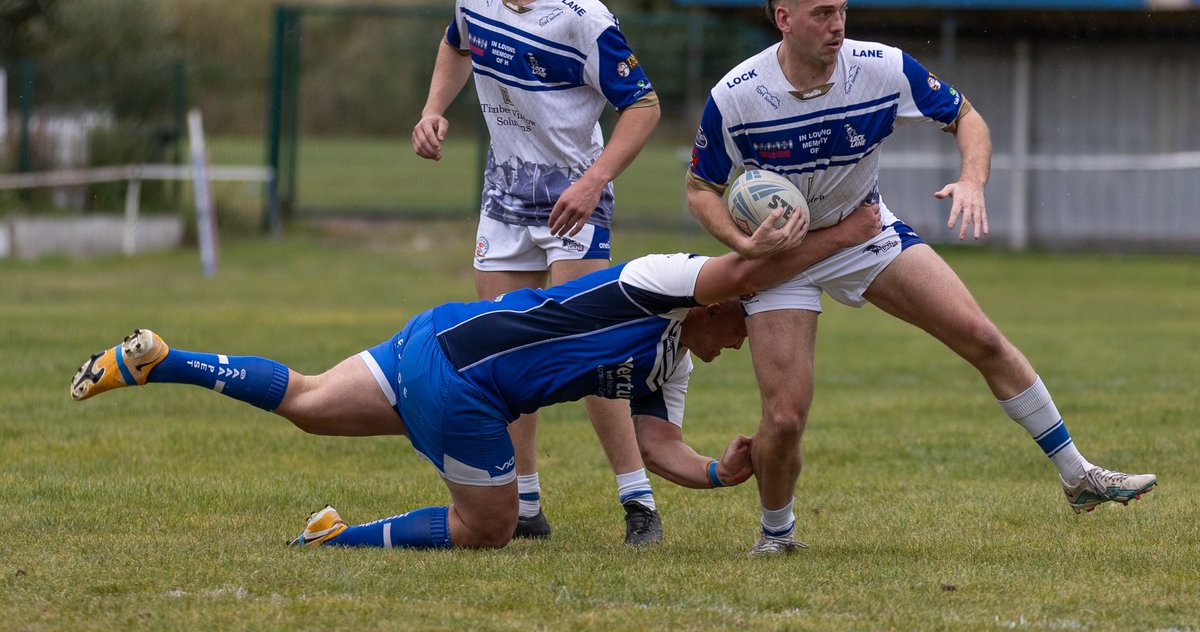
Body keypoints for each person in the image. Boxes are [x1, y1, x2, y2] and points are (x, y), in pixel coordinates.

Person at [685, 0, 1157, 556]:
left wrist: (972, 180)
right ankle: (777, 535)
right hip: (781, 258)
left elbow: (967, 118)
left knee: (981, 336)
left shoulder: (882, 68)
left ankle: (1079, 476)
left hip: (865, 232)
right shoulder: (737, 97)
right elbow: (700, 189)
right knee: (783, 417)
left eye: (842, 10)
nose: (838, 24)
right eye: (822, 13)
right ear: (784, 18)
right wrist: (744, 242)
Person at [68, 204, 882, 551]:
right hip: (467, 384)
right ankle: (337, 539)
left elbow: (657, 444)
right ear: (722, 302)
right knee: (490, 527)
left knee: (309, 402)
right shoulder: (659, 281)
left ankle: (161, 360)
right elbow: (741, 268)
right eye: (746, 324)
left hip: (439, 334)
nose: (742, 344)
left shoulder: (669, 361)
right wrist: (845, 233)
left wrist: (716, 474)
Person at [410, 0, 665, 545]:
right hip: (504, 199)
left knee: (586, 350)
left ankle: (638, 501)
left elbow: (644, 106)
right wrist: (433, 110)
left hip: (573, 200)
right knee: (504, 351)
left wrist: (594, 182)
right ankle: (525, 506)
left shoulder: (584, 17)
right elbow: (456, 44)